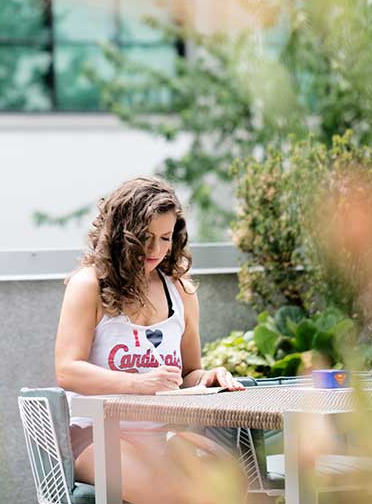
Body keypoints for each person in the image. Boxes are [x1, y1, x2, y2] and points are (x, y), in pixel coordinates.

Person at [55, 176, 244, 504]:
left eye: (165, 238)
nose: (155, 250)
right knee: (171, 495)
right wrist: (139, 384)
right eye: (145, 238)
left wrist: (209, 377)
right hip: (97, 436)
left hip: (163, 435)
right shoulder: (88, 286)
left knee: (231, 487)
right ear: (121, 236)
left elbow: (187, 376)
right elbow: (67, 370)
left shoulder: (181, 292)